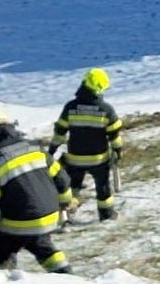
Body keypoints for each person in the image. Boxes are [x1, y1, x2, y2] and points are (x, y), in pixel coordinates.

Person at [0, 108, 75, 273]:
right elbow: (62, 180)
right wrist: (66, 202)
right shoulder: (36, 149)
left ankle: (4, 280)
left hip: (20, 220)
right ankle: (66, 274)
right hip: (50, 215)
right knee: (39, 242)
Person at [51, 68, 124, 222]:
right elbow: (114, 134)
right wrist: (118, 151)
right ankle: (106, 215)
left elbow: (60, 131)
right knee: (103, 188)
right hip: (99, 159)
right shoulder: (106, 110)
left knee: (73, 187)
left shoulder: (70, 107)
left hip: (75, 158)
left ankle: (68, 213)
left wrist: (52, 149)